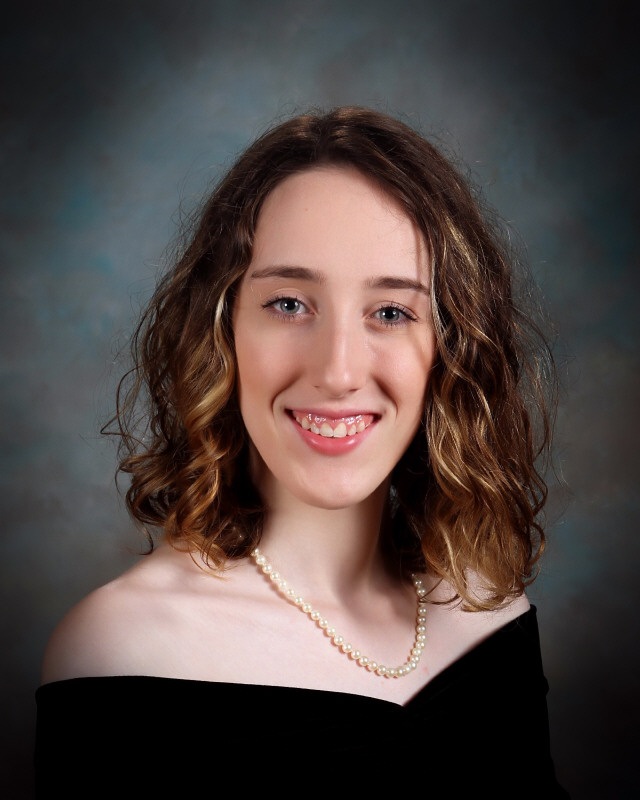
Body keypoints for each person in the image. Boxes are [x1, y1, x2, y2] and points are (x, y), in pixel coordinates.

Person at [34, 105, 570, 797]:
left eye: (391, 312)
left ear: (451, 348)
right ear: (221, 330)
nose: (338, 371)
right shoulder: (118, 650)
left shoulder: (489, 614)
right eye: (289, 303)